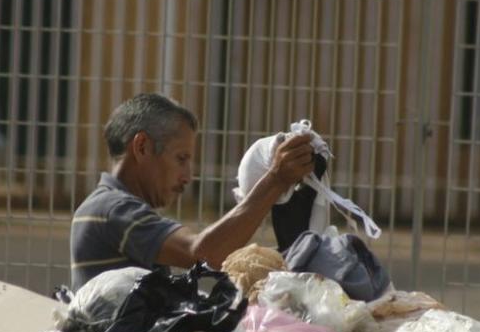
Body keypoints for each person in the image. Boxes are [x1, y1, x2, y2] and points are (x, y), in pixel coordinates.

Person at [70, 93, 315, 290]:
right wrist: (275, 180)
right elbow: (205, 253)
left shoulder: (109, 208)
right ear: (142, 147)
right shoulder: (113, 209)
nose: (188, 176)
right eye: (181, 158)